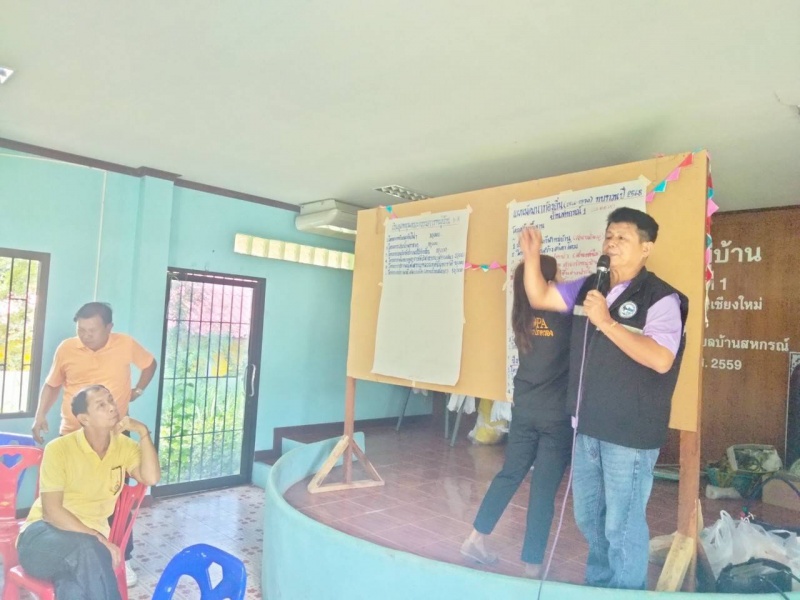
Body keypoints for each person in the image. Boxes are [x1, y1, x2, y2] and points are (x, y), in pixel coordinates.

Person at [519, 207, 688, 590]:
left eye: (622, 238)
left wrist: (607, 323)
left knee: (621, 525)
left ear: (646, 247)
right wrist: (532, 256)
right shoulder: (590, 288)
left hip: (629, 433)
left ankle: (627, 592)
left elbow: (661, 359)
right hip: (587, 427)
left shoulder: (662, 298)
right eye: (609, 236)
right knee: (589, 518)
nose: (611, 244)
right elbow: (540, 295)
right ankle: (598, 586)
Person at [461, 257, 573, 578]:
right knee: (543, 490)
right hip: (555, 417)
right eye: (559, 274)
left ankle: (474, 539)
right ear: (546, 282)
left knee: (509, 474)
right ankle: (532, 566)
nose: (563, 278)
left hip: (524, 410)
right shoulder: (565, 317)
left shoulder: (522, 315)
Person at [31, 302, 157, 586]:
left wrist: (137, 390)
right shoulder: (67, 348)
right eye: (81, 330)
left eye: (92, 330)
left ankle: (122, 557)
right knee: (66, 501)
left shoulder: (125, 344)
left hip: (113, 438)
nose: (85, 335)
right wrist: (40, 415)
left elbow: (150, 364)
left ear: (109, 328)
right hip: (71, 435)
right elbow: (52, 384)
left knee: (114, 500)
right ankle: (70, 554)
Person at [17, 385, 161, 600]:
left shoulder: (124, 446)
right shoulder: (59, 449)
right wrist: (99, 539)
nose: (111, 407)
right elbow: (51, 512)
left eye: (110, 400)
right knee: (88, 550)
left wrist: (143, 432)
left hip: (89, 550)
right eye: (101, 405)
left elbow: (151, 478)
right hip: (41, 538)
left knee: (74, 588)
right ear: (84, 419)